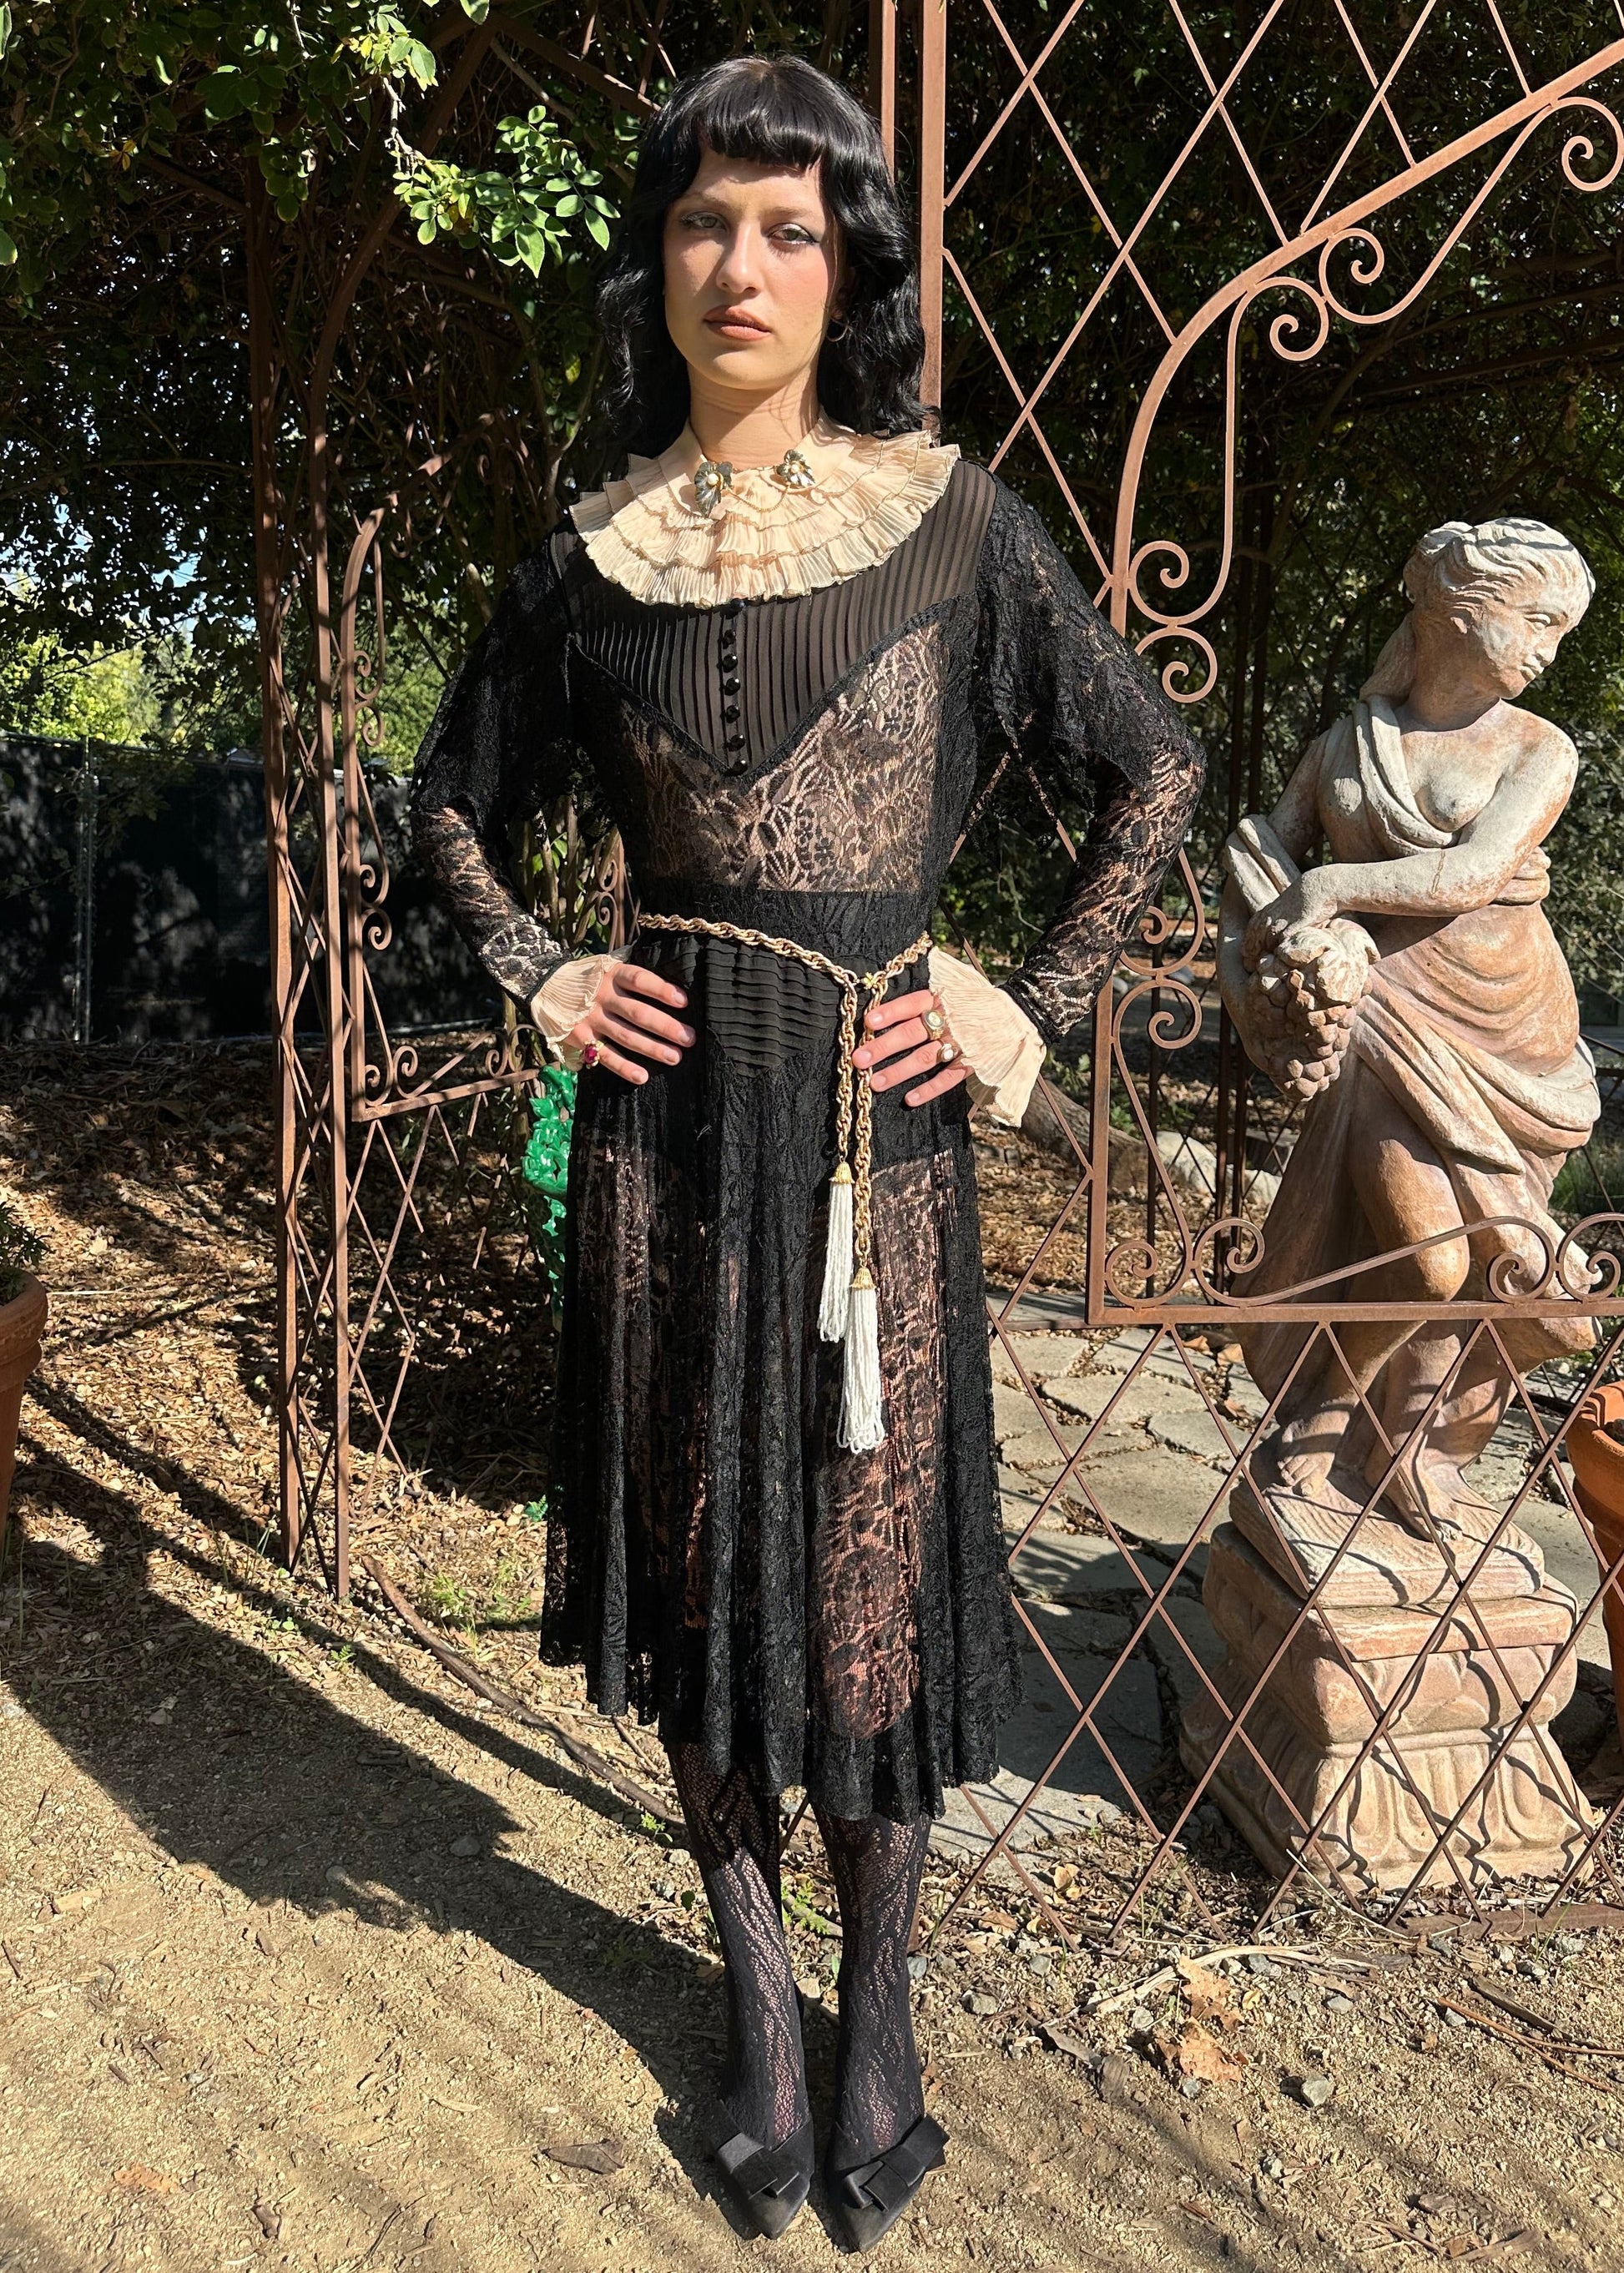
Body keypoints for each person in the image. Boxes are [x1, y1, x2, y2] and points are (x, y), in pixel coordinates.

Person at [411, 53, 1204, 2250]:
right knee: (694, 1563)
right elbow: (445, 797)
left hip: (881, 1145)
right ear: (653, 262)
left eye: (787, 222)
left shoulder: (956, 530)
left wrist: (1026, 1000)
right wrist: (538, 973)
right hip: (669, 1133)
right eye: (702, 222)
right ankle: (760, 2007)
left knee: (860, 1585)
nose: (741, 262)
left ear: (847, 253)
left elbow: (1148, 775)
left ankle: (880, 2009)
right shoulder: (588, 562)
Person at [1218, 517, 1600, 1551]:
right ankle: (1325, 1415)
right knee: (1432, 1257)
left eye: (1561, 632)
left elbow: (1467, 875)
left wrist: (1328, 890)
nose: (1546, 651)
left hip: (1506, 1024)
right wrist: (1243, 966)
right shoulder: (1343, 746)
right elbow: (1255, 850)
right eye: (1536, 622)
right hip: (1379, 1015)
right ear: (1459, 608)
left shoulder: (1537, 747)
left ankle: (1417, 1445)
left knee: (1501, 1266)